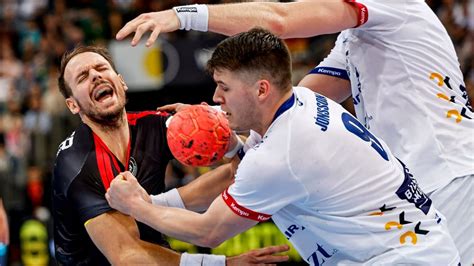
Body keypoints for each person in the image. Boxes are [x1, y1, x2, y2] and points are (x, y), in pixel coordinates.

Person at [114, 1, 474, 264]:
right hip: (415, 193)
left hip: (447, 175)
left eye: (222, 86)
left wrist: (182, 16)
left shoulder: (393, 4)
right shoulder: (346, 50)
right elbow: (279, 105)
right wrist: (222, 119)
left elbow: (280, 21)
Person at [52, 45, 290, 265]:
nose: (95, 75)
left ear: (121, 82)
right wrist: (225, 263)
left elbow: (242, 170)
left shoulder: (154, 126)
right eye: (83, 77)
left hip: (158, 255)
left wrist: (219, 134)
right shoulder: (76, 161)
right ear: (73, 106)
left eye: (101, 68)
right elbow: (126, 255)